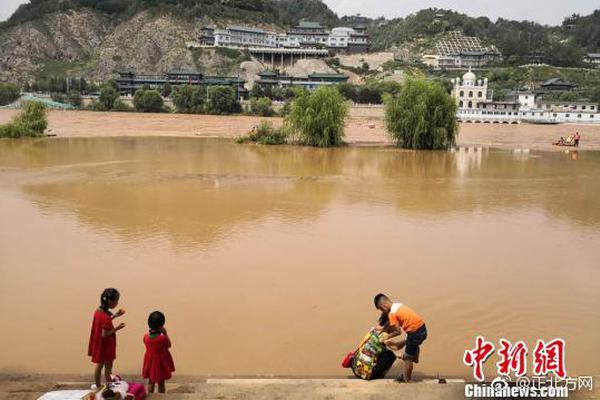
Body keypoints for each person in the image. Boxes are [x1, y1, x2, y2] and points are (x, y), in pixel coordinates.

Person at [374, 293, 427, 383]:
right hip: (422, 329)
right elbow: (392, 322)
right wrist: (383, 328)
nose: (383, 312)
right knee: (412, 344)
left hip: (415, 334)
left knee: (408, 359)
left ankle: (407, 379)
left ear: (383, 305)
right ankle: (412, 356)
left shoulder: (392, 314)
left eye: (382, 309)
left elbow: (398, 332)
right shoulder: (397, 305)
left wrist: (387, 336)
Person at [89, 288, 126, 388]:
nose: (117, 303)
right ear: (110, 301)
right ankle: (110, 386)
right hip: (106, 346)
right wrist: (117, 328)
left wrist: (115, 316)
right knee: (108, 368)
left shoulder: (99, 312)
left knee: (99, 365)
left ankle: (98, 385)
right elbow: (105, 334)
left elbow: (105, 322)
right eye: (116, 301)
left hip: (99, 344)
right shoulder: (105, 317)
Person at [142, 311, 175, 393]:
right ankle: (161, 397)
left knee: (151, 381)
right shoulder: (162, 338)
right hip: (160, 363)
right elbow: (169, 345)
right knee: (161, 383)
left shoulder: (146, 337)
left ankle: (150, 396)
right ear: (161, 326)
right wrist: (165, 333)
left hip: (150, 362)